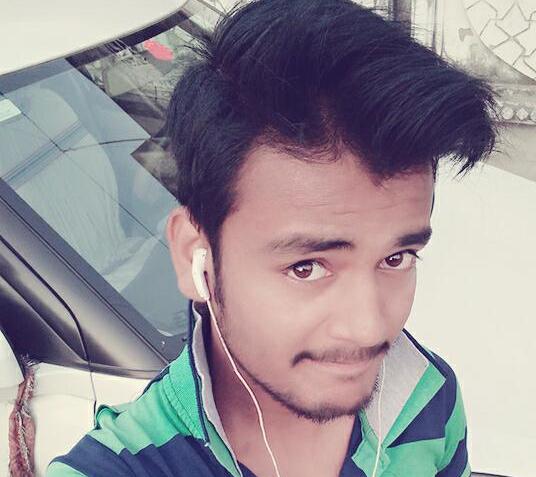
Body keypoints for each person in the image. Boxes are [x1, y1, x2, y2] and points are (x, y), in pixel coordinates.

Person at [47, 0, 496, 475]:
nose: (369, 329)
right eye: (306, 267)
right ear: (195, 256)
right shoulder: (122, 467)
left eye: (397, 258)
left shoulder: (429, 399)